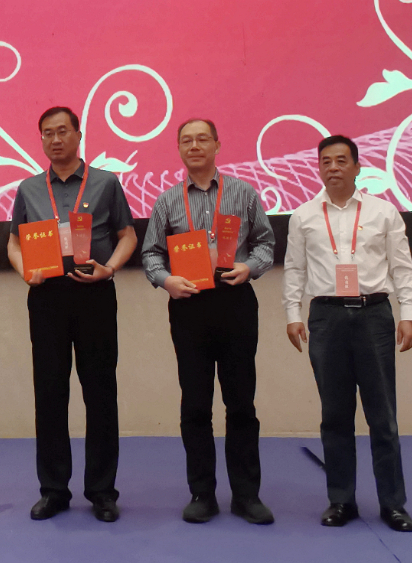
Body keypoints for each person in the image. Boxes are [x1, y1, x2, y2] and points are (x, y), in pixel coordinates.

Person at [141, 118, 276, 524]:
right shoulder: (167, 201)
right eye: (187, 140)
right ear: (179, 149)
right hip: (189, 306)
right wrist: (166, 280)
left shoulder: (243, 193)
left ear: (218, 144)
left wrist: (249, 268)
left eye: (203, 139)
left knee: (241, 403)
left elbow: (266, 243)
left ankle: (246, 495)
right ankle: (202, 493)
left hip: (235, 302)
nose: (195, 145)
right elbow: (150, 254)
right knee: (196, 404)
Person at [6, 106, 137, 522]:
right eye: (48, 133)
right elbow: (13, 242)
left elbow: (127, 235)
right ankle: (54, 490)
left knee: (100, 393)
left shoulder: (105, 182)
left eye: (63, 131)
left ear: (78, 135)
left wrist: (110, 269)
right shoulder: (29, 188)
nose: (56, 139)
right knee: (49, 393)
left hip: (94, 294)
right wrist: (24, 270)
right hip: (47, 298)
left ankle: (102, 491)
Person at [283, 135, 412, 532]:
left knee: (383, 416)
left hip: (374, 314)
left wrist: (410, 314)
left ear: (357, 167)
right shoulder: (303, 216)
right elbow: (294, 268)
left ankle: (393, 504)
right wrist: (292, 314)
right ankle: (341, 500)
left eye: (341, 160)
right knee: (335, 416)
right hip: (326, 318)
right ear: (319, 167)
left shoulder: (383, 212)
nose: (333, 168)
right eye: (326, 161)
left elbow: (402, 267)